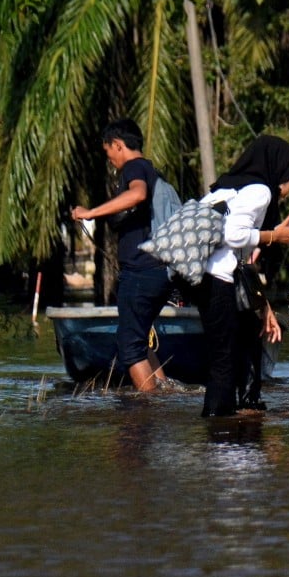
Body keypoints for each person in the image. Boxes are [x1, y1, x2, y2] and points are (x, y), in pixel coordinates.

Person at [193, 135, 289, 417]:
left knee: (234, 347)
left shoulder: (226, 188)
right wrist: (273, 236)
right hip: (219, 279)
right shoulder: (260, 191)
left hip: (205, 277)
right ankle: (221, 428)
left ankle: (231, 424)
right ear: (280, 171)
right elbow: (232, 234)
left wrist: (263, 239)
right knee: (224, 358)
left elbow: (235, 237)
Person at [71, 118, 174, 392]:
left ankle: (148, 411)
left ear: (118, 145)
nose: (111, 161)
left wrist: (90, 213)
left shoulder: (134, 168)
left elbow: (137, 195)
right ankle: (165, 397)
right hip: (158, 271)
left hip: (141, 271)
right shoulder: (153, 170)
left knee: (129, 347)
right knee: (137, 340)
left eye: (109, 153)